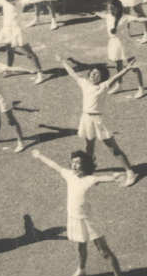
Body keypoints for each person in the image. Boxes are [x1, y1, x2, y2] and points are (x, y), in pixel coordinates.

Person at [32, 149, 128, 276]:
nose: (74, 165)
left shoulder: (90, 179)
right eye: (73, 162)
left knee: (104, 252)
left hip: (89, 220)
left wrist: (115, 177)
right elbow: (54, 166)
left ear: (85, 164)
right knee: (80, 246)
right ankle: (82, 270)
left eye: (78, 162)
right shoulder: (69, 175)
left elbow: (102, 178)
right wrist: (39, 156)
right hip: (74, 219)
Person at [59, 55, 139, 186]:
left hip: (98, 120)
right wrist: (63, 62)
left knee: (113, 149)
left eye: (97, 74)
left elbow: (116, 77)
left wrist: (127, 69)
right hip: (86, 119)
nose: (93, 75)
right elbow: (73, 74)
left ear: (102, 77)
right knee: (89, 147)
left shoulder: (104, 86)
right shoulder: (84, 83)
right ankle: (89, 172)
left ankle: (130, 172)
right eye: (92, 72)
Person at [93, 0, 147, 97]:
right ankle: (119, 85)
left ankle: (141, 88)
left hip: (124, 44)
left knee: (133, 66)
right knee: (118, 64)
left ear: (118, 9)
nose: (110, 10)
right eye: (109, 9)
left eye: (112, 8)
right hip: (114, 43)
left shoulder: (125, 17)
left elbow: (138, 20)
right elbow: (101, 15)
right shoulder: (108, 16)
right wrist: (95, 13)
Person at [0, 0, 48, 81]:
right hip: (7, 31)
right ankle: (9, 70)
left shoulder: (20, 2)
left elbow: (32, 1)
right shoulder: (4, 2)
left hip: (17, 31)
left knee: (29, 53)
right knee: (10, 51)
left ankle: (40, 73)